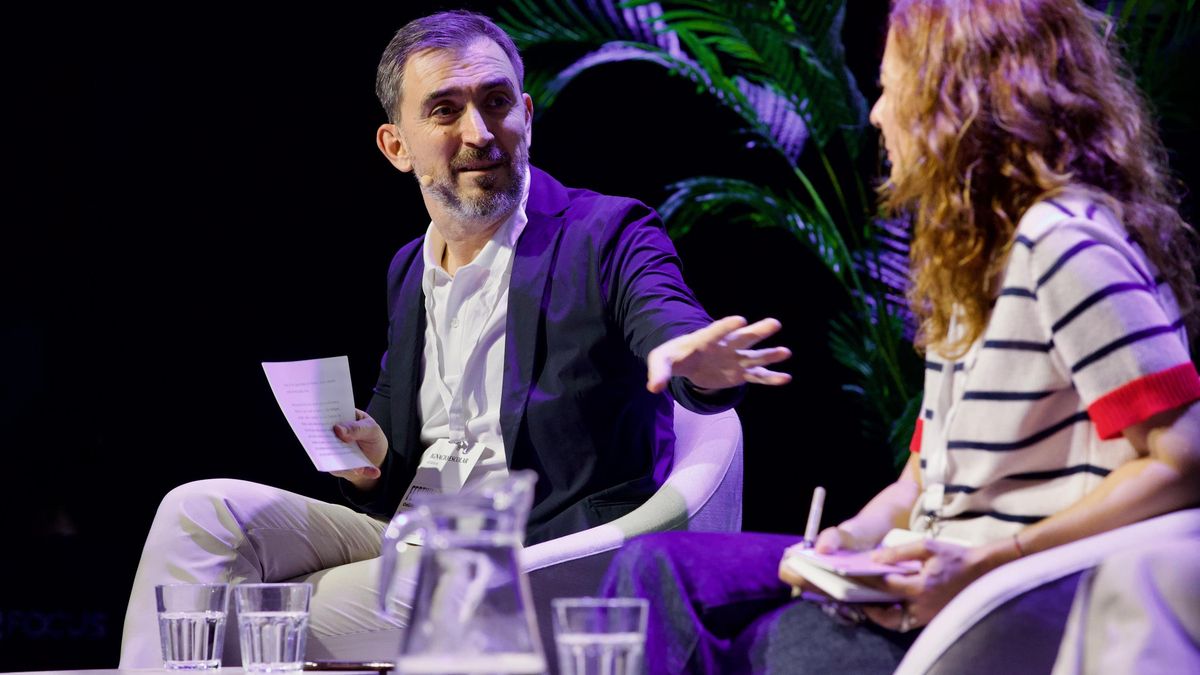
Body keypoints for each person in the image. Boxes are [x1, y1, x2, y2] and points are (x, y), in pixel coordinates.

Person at [118, 10, 791, 666]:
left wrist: (695, 365)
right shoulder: (408, 269)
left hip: (526, 557)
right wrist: (370, 458)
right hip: (409, 537)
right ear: (396, 146)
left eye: (496, 102)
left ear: (526, 114)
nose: (479, 132)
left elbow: (667, 318)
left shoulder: (605, 233)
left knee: (233, 618)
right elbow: (398, 447)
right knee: (199, 510)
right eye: (445, 110)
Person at [602, 0, 1200, 672]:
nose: (878, 115)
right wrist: (848, 540)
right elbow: (923, 478)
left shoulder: (1064, 244)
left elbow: (1184, 461)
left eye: (892, 90)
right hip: (919, 565)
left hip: (997, 597)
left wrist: (986, 562)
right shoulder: (976, 258)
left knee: (763, 648)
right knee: (654, 568)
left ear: (959, 104)